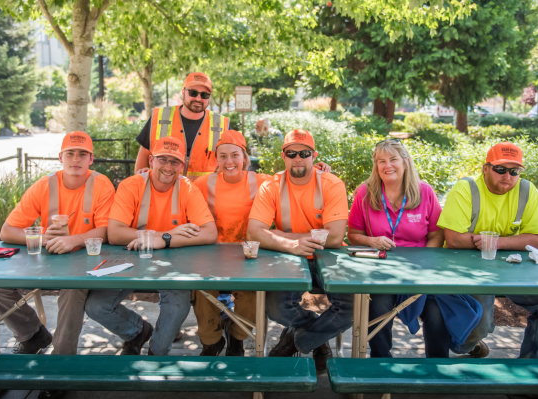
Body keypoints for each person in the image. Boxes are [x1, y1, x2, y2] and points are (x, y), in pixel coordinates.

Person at [0, 131, 115, 399]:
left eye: (82, 154)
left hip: (85, 261)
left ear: (91, 159)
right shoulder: (44, 185)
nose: (76, 159)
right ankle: (31, 334)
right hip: (46, 260)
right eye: (70, 153)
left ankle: (61, 367)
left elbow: (109, 230)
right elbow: (8, 230)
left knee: (72, 290)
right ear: (60, 157)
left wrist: (74, 240)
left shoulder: (101, 184)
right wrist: (42, 236)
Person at [347, 140, 481, 358]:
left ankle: (436, 368)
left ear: (406, 162)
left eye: (393, 159)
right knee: (378, 304)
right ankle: (380, 362)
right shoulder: (364, 193)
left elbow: (437, 234)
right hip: (381, 270)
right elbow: (353, 235)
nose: (387, 165)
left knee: (437, 311)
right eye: (381, 161)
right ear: (376, 166)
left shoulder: (424, 191)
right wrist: (372, 241)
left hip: (420, 272)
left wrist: (424, 264)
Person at [84, 136, 218, 356]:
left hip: (175, 264)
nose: (168, 167)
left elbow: (210, 233)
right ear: (151, 160)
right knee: (96, 306)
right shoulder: (131, 185)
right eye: (162, 159)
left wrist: (163, 241)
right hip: (131, 259)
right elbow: (115, 233)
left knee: (177, 305)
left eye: (174, 162)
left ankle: (156, 355)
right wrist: (163, 235)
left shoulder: (188, 188)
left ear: (182, 166)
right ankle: (136, 331)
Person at [438, 142, 538, 365]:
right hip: (468, 271)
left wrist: (493, 241)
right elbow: (454, 238)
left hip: (512, 270)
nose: (507, 175)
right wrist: (514, 242)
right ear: (485, 168)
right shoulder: (465, 188)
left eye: (514, 171)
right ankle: (464, 346)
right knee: (481, 323)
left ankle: (536, 370)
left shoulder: (527, 191)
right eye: (500, 169)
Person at [247, 129, 351, 370]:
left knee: (352, 306)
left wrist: (279, 236)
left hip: (329, 256)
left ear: (314, 155)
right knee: (276, 308)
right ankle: (319, 342)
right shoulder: (270, 185)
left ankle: (295, 340)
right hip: (289, 256)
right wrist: (290, 244)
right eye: (291, 153)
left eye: (304, 153)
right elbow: (254, 232)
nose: (298, 158)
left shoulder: (332, 184)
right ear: (283, 156)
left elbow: (335, 237)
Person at [192, 130, 271, 356]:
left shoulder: (262, 181)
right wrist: (145, 175)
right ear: (216, 159)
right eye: (223, 156)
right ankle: (212, 341)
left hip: (249, 259)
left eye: (235, 155)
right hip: (212, 258)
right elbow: (178, 190)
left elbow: (292, 179)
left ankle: (237, 337)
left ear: (244, 158)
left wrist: (318, 170)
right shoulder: (202, 183)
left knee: (253, 295)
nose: (229, 162)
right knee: (201, 291)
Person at [133, 72, 231, 180]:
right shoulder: (160, 117)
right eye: (193, 93)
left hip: (204, 194)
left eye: (204, 95)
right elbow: (143, 155)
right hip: (164, 193)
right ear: (183, 92)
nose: (198, 99)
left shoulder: (222, 124)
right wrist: (141, 185)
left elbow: (231, 162)